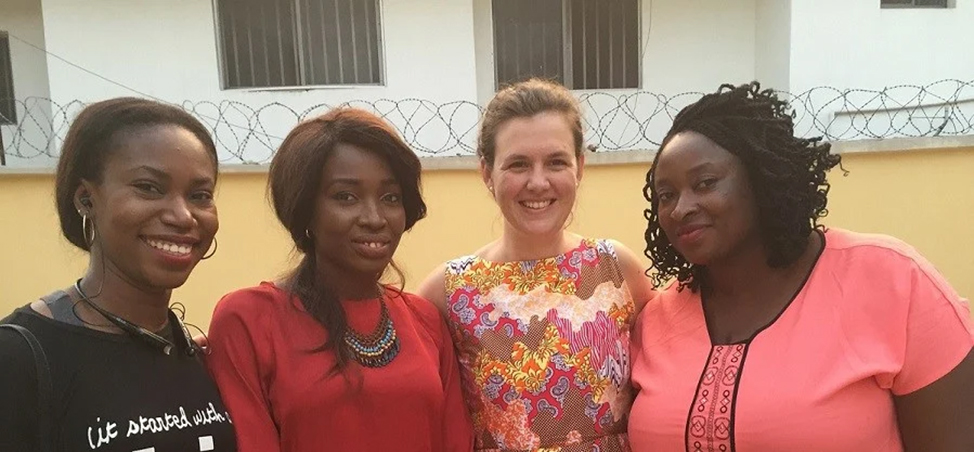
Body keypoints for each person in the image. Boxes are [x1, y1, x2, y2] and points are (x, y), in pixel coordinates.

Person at [630, 81, 974, 452]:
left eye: (705, 183)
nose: (681, 208)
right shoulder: (655, 319)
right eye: (666, 195)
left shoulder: (894, 281)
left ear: (762, 177)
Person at [205, 108, 473, 452]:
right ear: (305, 210)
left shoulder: (427, 321)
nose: (375, 218)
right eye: (346, 197)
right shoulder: (248, 321)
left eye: (390, 198)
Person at [418, 78, 655, 451]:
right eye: (518, 164)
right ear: (486, 173)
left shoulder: (617, 269)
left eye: (556, 162)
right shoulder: (448, 292)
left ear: (580, 166)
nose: (538, 182)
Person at [0, 97, 236, 451]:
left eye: (200, 195)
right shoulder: (20, 358)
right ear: (86, 199)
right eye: (149, 187)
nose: (183, 216)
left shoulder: (200, 356)